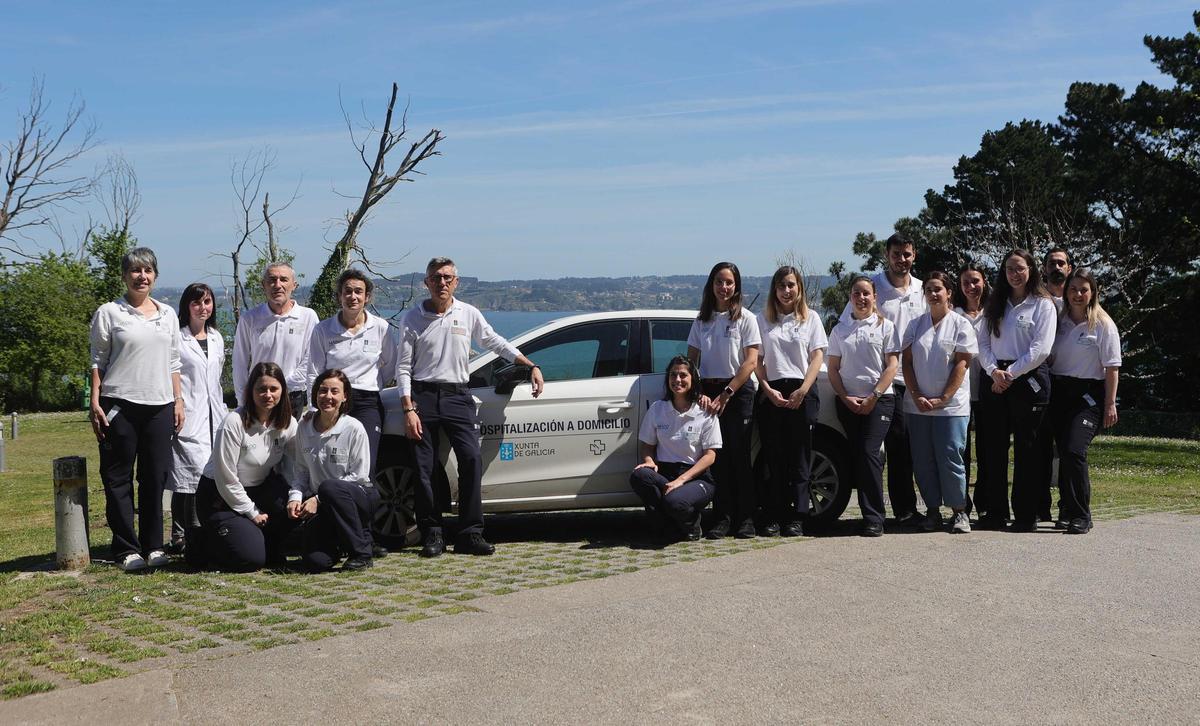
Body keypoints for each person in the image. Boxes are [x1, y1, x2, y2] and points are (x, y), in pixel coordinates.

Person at [398, 257, 545, 558]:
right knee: (424, 469)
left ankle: (469, 533)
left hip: (457, 396)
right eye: (436, 277)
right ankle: (433, 534)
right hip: (423, 397)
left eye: (448, 277)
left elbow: (495, 342)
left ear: (456, 282)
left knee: (471, 461)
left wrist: (530, 364)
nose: (442, 283)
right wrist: (408, 409)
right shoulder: (412, 319)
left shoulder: (468, 313)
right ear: (426, 282)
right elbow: (402, 367)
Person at [89, 247, 184, 572]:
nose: (141, 276)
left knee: (154, 478)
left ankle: (154, 545)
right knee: (118, 479)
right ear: (124, 275)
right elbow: (97, 361)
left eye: (147, 271)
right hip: (119, 405)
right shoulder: (109, 312)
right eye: (135, 271)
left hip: (160, 406)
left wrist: (178, 400)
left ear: (155, 276)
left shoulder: (168, 314)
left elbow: (174, 361)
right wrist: (94, 402)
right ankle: (126, 548)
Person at [841, 232, 926, 525]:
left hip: (911, 379)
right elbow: (846, 325)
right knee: (873, 451)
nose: (901, 260)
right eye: (896, 254)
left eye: (907, 254)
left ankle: (905, 510)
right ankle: (875, 513)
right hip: (877, 383)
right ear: (886, 256)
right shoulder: (872, 287)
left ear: (914, 255)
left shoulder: (921, 289)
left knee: (902, 447)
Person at [977, 249, 1057, 531]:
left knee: (1028, 450)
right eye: (1010, 268)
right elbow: (983, 345)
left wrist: (1010, 373)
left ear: (1032, 270)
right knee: (994, 449)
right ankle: (996, 512)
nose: (1014, 274)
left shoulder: (1043, 305)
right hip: (995, 379)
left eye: (1020, 268)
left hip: (1028, 379)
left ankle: (1026, 514)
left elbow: (1041, 350)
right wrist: (993, 372)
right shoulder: (994, 303)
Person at [193, 362, 298, 571]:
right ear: (250, 391)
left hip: (259, 490)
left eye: (273, 389)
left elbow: (298, 466)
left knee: (287, 515)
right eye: (261, 389)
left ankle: (261, 540)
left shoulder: (287, 423)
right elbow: (226, 478)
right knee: (251, 559)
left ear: (282, 391)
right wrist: (252, 512)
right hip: (220, 497)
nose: (268, 394)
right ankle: (199, 542)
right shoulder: (234, 422)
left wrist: (296, 497)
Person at [687, 261, 761, 539]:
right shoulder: (701, 320)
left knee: (740, 457)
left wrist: (727, 394)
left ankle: (746, 519)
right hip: (707, 394)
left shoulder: (746, 319)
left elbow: (751, 361)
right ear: (711, 285)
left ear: (736, 286)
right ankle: (722, 518)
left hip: (737, 393)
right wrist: (700, 394)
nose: (724, 287)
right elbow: (691, 361)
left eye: (729, 282)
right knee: (717, 459)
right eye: (719, 281)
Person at [901, 271, 978, 534]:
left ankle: (959, 512)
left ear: (949, 293)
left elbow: (962, 363)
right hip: (918, 406)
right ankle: (932, 512)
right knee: (923, 460)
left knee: (950, 458)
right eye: (929, 290)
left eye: (938, 289)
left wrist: (943, 398)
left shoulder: (961, 324)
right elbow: (907, 362)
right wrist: (916, 395)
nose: (933, 294)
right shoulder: (915, 325)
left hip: (951, 408)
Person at [754, 265, 827, 536]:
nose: (786, 290)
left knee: (800, 457)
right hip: (772, 393)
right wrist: (767, 390)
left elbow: (817, 357)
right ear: (775, 289)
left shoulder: (811, 319)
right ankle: (774, 514)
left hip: (802, 392)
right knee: (774, 458)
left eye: (791, 285)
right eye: (782, 285)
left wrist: (803, 391)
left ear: (799, 289)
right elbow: (756, 361)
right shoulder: (762, 320)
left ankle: (797, 517)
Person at [827, 275, 900, 537]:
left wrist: (874, 396)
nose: (861, 298)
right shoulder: (840, 330)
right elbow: (833, 369)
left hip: (879, 401)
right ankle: (867, 513)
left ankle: (874, 518)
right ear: (850, 298)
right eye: (856, 294)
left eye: (866, 293)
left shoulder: (886, 327)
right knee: (858, 454)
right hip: (847, 401)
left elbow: (892, 365)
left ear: (874, 297)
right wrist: (845, 396)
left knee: (870, 453)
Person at [1049, 269, 1121, 534]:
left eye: (1084, 290)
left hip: (1088, 396)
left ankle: (1082, 514)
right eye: (1073, 289)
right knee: (1064, 453)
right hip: (1059, 392)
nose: (1078, 295)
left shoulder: (1103, 324)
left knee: (1074, 450)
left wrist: (1110, 404)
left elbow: (1112, 367)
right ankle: (1066, 509)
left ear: (1092, 293)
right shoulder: (1059, 321)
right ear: (1066, 292)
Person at [307, 268, 397, 474]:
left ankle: (364, 505)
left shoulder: (381, 328)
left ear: (367, 297)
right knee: (332, 462)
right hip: (332, 402)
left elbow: (391, 364)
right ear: (339, 296)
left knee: (365, 463)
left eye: (358, 291)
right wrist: (314, 408)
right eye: (347, 291)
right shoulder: (323, 329)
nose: (353, 296)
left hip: (368, 403)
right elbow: (314, 371)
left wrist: (373, 384)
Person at [290, 369, 380, 570]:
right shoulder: (304, 427)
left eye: (334, 391)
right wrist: (295, 497)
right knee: (316, 562)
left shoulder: (354, 428)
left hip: (358, 496)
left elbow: (359, 475)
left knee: (330, 488)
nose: (327, 397)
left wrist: (318, 498)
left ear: (345, 396)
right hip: (323, 504)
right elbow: (301, 470)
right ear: (315, 394)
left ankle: (362, 553)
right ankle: (342, 541)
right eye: (322, 391)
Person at [630, 356, 722, 542]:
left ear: (692, 379)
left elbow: (710, 456)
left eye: (683, 375)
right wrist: (648, 461)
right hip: (665, 473)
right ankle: (667, 524)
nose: (677, 380)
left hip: (695, 477)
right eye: (673, 375)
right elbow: (647, 446)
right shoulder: (657, 409)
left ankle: (691, 524)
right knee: (639, 476)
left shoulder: (705, 411)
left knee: (675, 502)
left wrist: (681, 480)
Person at [166, 283, 226, 558]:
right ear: (186, 307)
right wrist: (177, 401)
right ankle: (179, 533)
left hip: (215, 413)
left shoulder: (216, 337)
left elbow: (217, 376)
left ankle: (202, 529)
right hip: (188, 412)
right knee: (185, 476)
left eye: (207, 302)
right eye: (197, 303)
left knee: (209, 473)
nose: (203, 307)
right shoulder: (177, 338)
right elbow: (171, 372)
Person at [233, 262, 318, 415]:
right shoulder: (249, 319)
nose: (277, 285)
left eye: (283, 279)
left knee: (290, 439)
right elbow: (239, 362)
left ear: (294, 285)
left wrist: (283, 386)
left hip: (292, 398)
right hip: (258, 398)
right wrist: (242, 402)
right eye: (272, 280)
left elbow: (311, 359)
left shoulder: (308, 317)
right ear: (263, 285)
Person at [1037, 247, 1074, 525]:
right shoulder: (1037, 299)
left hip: (1067, 383)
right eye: (1052, 263)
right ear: (1044, 268)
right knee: (1038, 448)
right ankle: (1039, 507)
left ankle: (1066, 507)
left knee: (1066, 450)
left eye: (1061, 263)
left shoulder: (1079, 301)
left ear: (1069, 268)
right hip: (1039, 380)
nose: (1057, 267)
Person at [953, 263, 990, 518]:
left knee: (988, 451)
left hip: (988, 390)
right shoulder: (953, 314)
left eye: (975, 281)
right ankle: (961, 504)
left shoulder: (994, 312)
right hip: (961, 393)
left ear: (984, 282)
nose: (971, 286)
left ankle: (986, 502)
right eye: (966, 282)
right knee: (961, 450)